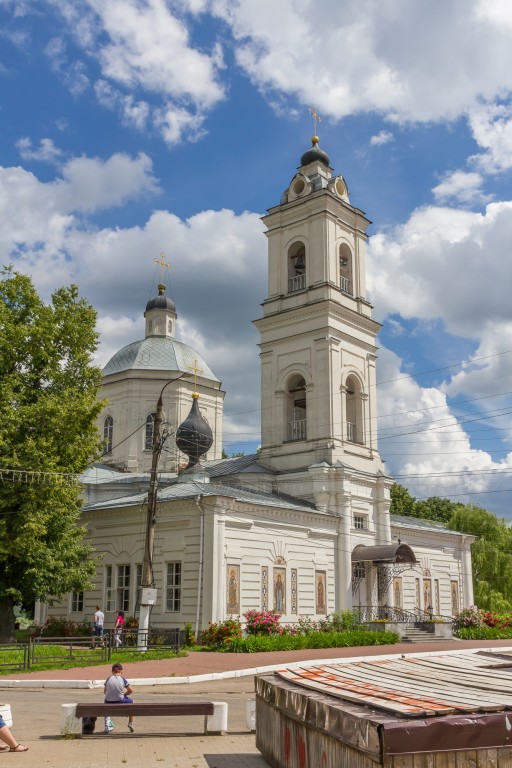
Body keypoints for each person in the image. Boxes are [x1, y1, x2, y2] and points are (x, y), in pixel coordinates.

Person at [103, 663, 135, 734]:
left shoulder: (108, 679)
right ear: (121, 672)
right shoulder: (123, 679)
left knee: (105, 701)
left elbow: (105, 691)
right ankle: (130, 723)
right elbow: (131, 690)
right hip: (121, 701)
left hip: (108, 702)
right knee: (132, 702)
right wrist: (124, 695)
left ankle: (108, 725)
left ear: (112, 672)